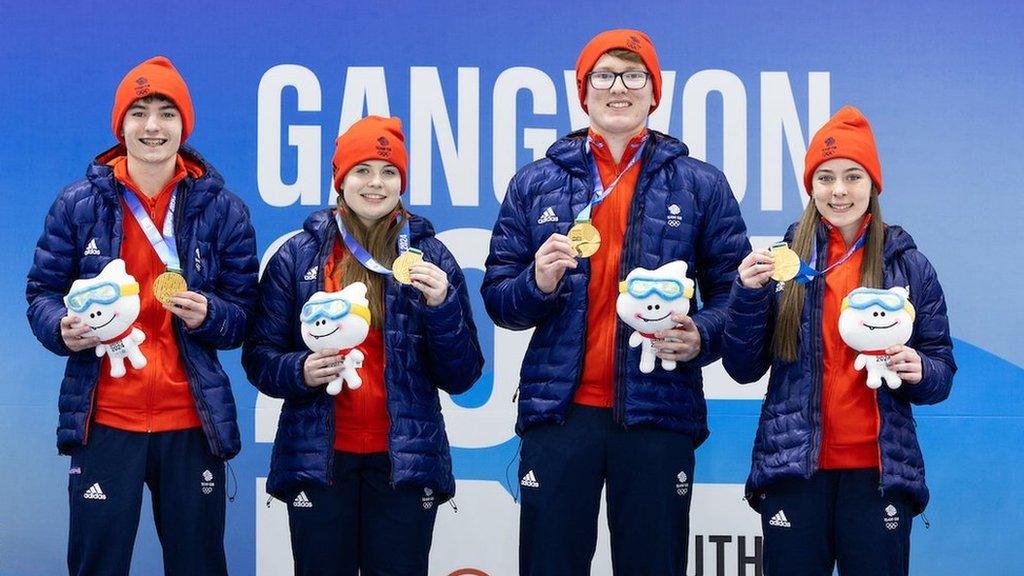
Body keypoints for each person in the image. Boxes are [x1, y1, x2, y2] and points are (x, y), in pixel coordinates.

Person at [481, 29, 751, 575]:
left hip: (659, 411)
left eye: (634, 75)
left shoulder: (701, 184)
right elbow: (499, 300)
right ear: (584, 92)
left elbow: (735, 294)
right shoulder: (536, 183)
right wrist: (537, 281)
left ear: (655, 92)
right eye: (604, 76)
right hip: (560, 414)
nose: (618, 88)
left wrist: (702, 333)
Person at [25, 56, 258, 575]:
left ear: (184, 125)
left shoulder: (224, 210)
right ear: (121, 124)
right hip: (106, 418)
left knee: (198, 565)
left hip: (191, 420)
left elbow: (245, 314)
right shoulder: (77, 204)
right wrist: (60, 328)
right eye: (139, 112)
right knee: (97, 565)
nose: (153, 126)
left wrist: (210, 315)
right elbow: (41, 292)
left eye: (166, 112)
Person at [243, 115, 483, 576]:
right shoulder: (298, 257)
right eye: (363, 170)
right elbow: (258, 358)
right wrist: (300, 370)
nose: (376, 183)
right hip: (319, 458)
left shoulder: (431, 257)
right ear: (340, 178)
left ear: (402, 182)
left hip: (404, 463)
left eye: (389, 172)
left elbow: (463, 375)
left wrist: (441, 306)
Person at [722, 106, 956, 576]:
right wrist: (747, 295)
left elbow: (940, 370)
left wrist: (920, 369)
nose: (839, 191)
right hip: (794, 470)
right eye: (825, 178)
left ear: (873, 184)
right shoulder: (783, 261)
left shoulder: (908, 265)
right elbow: (742, 366)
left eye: (853, 176)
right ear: (812, 187)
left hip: (879, 473)